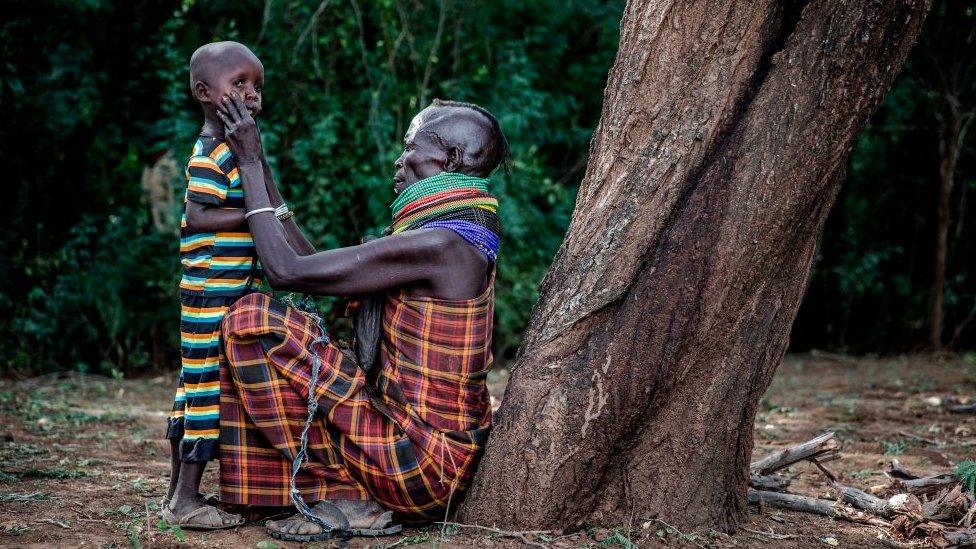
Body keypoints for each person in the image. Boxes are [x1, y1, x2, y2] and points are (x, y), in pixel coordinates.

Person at [213, 93, 508, 542]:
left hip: (424, 466)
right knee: (274, 326)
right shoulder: (449, 236)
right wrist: (262, 165)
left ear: (448, 158)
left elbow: (286, 271)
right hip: (413, 449)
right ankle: (345, 494)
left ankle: (347, 496)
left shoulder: (442, 245)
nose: (399, 160)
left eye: (411, 147)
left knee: (251, 320)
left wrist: (250, 164)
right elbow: (310, 265)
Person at [164, 41, 296, 530]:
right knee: (204, 393)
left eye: (257, 86)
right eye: (238, 84)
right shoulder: (210, 153)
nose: (252, 94)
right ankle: (184, 501)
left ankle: (177, 494)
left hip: (221, 290)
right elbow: (198, 214)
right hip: (208, 292)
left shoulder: (235, 150)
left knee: (194, 385)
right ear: (204, 92)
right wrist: (256, 215)